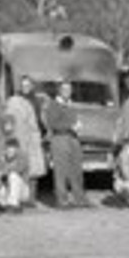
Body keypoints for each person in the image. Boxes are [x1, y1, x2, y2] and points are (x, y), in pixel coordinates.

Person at [44, 79, 87, 208]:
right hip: (60, 138)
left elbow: (73, 121)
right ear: (59, 90)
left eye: (69, 89)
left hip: (73, 138)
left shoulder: (71, 105)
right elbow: (52, 124)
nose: (67, 91)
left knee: (77, 170)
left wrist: (77, 126)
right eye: (64, 89)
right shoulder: (53, 105)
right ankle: (62, 200)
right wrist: (70, 126)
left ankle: (79, 199)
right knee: (61, 171)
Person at [5, 75, 45, 202]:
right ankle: (18, 196)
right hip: (18, 136)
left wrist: (41, 135)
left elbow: (40, 120)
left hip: (33, 137)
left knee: (34, 168)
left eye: (28, 85)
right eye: (23, 85)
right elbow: (9, 119)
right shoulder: (13, 101)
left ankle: (31, 198)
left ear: (32, 86)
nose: (25, 87)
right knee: (19, 166)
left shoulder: (36, 101)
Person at [0, 138, 30, 211]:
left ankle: (13, 204)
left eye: (12, 149)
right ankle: (4, 203)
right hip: (6, 187)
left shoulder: (23, 157)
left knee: (13, 175)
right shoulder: (2, 158)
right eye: (7, 149)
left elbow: (19, 169)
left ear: (17, 149)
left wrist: (5, 170)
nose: (9, 151)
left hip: (22, 190)